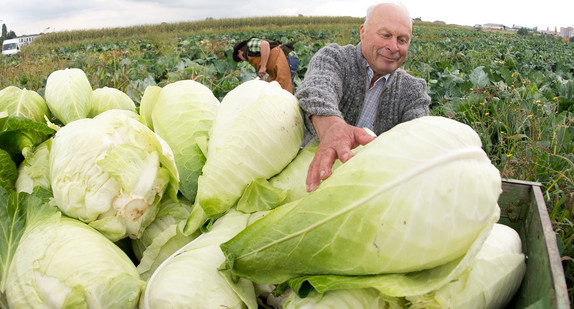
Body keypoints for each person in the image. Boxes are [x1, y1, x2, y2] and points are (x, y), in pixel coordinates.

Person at [295, 1, 431, 192]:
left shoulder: (413, 90)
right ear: (363, 32)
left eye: (402, 40)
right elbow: (316, 90)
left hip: (368, 190)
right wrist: (333, 127)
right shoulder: (335, 58)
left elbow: (418, 141)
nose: (393, 47)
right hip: (309, 179)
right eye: (385, 35)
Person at [233, 37, 299, 93]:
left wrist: (263, 67)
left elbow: (265, 44)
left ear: (239, 52)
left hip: (287, 59)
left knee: (283, 91)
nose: (243, 60)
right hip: (278, 66)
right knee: (270, 89)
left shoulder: (250, 44)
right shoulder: (251, 54)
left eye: (240, 58)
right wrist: (261, 76)